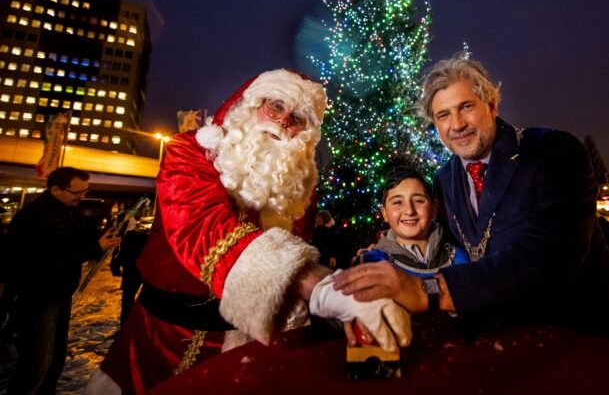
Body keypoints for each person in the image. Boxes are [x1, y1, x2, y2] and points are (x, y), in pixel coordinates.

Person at [87, 69, 410, 395]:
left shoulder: (301, 190)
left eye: (298, 116)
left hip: (242, 343)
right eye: (276, 106)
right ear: (250, 105)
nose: (284, 120)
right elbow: (202, 228)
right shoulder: (191, 150)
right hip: (160, 337)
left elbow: (298, 249)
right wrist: (326, 288)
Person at [334, 54, 609, 357]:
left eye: (466, 106)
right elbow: (442, 249)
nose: (456, 124)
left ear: (492, 103)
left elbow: (551, 257)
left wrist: (429, 291)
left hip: (597, 341)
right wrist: (379, 260)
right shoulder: (444, 179)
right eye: (443, 115)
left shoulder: (553, 152)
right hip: (520, 350)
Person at [6, 167, 121, 395]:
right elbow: (47, 257)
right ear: (55, 189)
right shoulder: (33, 217)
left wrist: (107, 235)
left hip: (61, 293)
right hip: (38, 297)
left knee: (56, 357)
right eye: (76, 192)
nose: (81, 197)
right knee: (38, 360)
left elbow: (80, 239)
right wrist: (94, 247)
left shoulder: (69, 210)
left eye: (85, 192)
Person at [360, 165, 469, 275]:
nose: (409, 211)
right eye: (397, 202)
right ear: (384, 213)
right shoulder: (371, 264)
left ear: (434, 209)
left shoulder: (458, 257)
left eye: (418, 201)